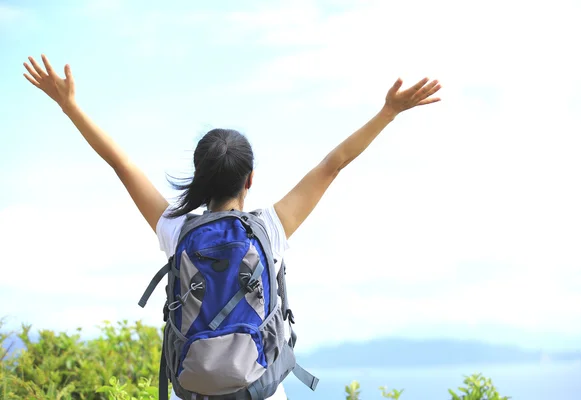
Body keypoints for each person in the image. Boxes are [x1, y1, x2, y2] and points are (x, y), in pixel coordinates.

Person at [23, 54, 442, 399]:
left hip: (196, 386)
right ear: (250, 179)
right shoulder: (270, 229)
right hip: (258, 389)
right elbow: (332, 166)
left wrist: (70, 106)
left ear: (199, 176)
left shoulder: (177, 231)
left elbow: (122, 163)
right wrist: (388, 112)